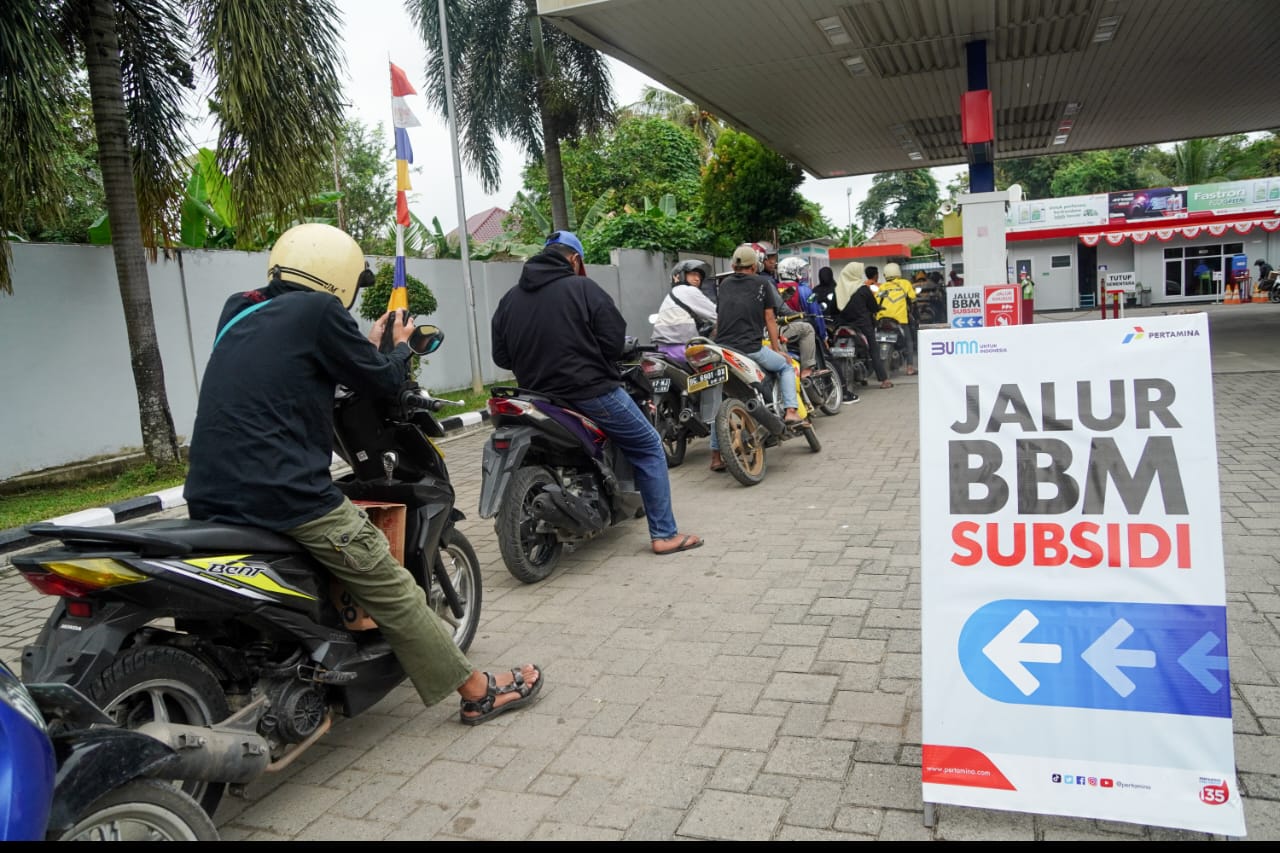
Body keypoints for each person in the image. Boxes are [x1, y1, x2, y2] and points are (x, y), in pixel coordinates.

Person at [184, 222, 542, 726]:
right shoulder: (319, 310)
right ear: (338, 279)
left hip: (207, 493)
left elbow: (295, 367)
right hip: (286, 493)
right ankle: (477, 690)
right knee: (386, 579)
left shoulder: (238, 307)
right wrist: (397, 346)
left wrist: (366, 347)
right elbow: (384, 381)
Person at [491, 231, 704, 556]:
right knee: (648, 446)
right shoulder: (583, 288)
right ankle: (664, 534)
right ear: (575, 259)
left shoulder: (509, 299)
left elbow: (501, 357)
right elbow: (613, 339)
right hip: (588, 392)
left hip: (535, 397)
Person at [706, 243, 805, 472]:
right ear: (755, 266)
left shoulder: (725, 284)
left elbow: (720, 318)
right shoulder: (763, 283)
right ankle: (791, 411)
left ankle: (715, 457)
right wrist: (778, 348)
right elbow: (770, 319)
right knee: (785, 367)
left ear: (733, 266)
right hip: (750, 348)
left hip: (724, 350)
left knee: (720, 400)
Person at [754, 241, 818, 380]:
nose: (773, 261)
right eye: (768, 258)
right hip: (765, 331)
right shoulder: (766, 282)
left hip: (743, 336)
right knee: (806, 329)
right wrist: (800, 316)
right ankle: (806, 374)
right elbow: (777, 311)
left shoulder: (728, 283)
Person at [830, 261, 891, 389]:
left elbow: (833, 310)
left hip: (843, 324)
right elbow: (873, 307)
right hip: (862, 325)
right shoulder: (863, 289)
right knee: (874, 349)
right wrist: (877, 309)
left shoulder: (838, 289)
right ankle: (884, 380)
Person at [650, 259, 718, 363]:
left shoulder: (671, 294)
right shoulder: (688, 290)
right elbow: (716, 314)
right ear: (680, 276)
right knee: (717, 364)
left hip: (660, 349)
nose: (697, 279)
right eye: (693, 274)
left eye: (699, 276)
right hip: (681, 348)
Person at [877, 262, 918, 375]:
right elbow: (913, 298)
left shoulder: (883, 286)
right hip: (900, 319)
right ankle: (909, 368)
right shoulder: (905, 283)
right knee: (909, 341)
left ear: (885, 274)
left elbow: (876, 301)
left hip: (883, 318)